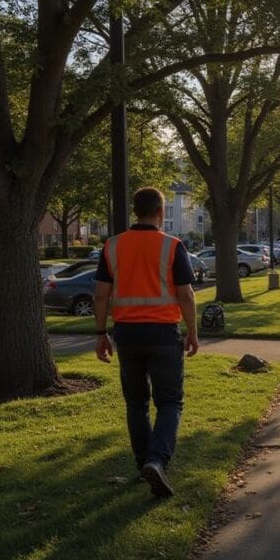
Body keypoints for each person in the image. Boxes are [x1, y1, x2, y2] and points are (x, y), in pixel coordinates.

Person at [93, 187, 199, 497]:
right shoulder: (172, 246)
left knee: (136, 403)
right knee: (169, 402)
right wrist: (192, 331)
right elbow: (186, 294)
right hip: (164, 334)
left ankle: (144, 463)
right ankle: (157, 461)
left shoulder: (112, 246)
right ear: (161, 213)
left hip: (126, 334)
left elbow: (100, 294)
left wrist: (101, 334)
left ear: (135, 211)